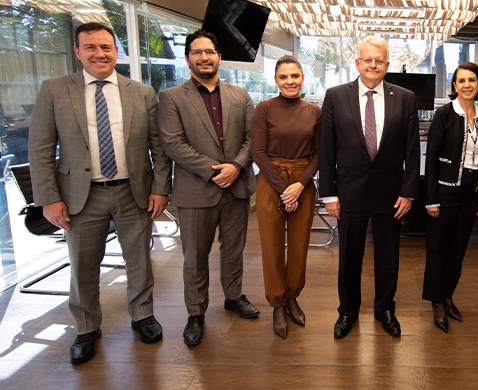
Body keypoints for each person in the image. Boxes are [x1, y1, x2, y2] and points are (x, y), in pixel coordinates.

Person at [28, 22, 171, 364]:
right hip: (80, 196)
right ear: (77, 52)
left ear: (116, 51)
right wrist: (49, 197)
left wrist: (160, 189)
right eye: (90, 47)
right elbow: (40, 148)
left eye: (106, 47)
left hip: (132, 190)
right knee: (83, 265)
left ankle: (142, 315)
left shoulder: (141, 92)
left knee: (139, 260)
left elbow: (159, 148)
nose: (99, 54)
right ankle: (86, 328)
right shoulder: (55, 90)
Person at [157, 30, 259, 347]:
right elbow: (172, 143)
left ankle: (233, 296)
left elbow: (253, 137)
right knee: (195, 257)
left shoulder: (240, 95)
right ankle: (196, 313)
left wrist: (237, 166)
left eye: (210, 52)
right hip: (196, 190)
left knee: (233, 250)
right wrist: (215, 170)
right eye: (198, 52)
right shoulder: (172, 97)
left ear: (219, 56)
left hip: (237, 187)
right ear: (188, 58)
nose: (205, 57)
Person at [318, 36, 420, 339]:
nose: (373, 65)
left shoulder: (405, 97)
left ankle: (385, 309)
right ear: (357, 63)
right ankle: (347, 311)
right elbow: (326, 149)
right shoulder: (335, 96)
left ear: (387, 65)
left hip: (391, 193)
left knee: (389, 255)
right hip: (348, 191)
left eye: (379, 60)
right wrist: (329, 193)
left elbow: (412, 150)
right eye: (368, 59)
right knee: (349, 255)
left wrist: (408, 191)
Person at [250, 55, 320, 339]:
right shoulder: (264, 109)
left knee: (301, 246)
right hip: (271, 181)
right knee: (272, 246)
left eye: (294, 76)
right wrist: (283, 188)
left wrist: (300, 185)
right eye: (283, 77)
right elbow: (258, 152)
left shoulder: (315, 111)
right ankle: (277, 303)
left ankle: (293, 297)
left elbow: (319, 153)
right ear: (275, 80)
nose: (289, 82)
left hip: (303, 181)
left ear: (302, 78)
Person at [422, 62, 478, 333]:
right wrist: (431, 199)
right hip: (445, 191)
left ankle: (449, 295)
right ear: (454, 86)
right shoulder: (444, 115)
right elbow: (430, 160)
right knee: (439, 249)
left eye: (472, 80)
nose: (467, 85)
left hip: (471, 194)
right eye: (461, 80)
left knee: (458, 250)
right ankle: (436, 300)